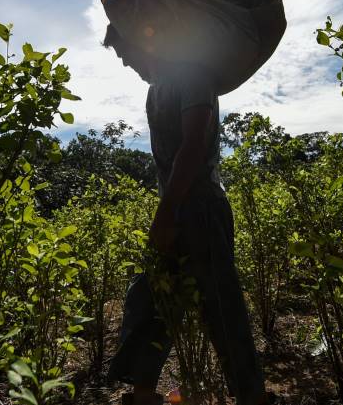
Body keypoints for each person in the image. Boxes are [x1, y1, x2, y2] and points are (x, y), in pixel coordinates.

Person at [101, 24, 268, 405]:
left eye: (125, 51)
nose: (126, 62)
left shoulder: (193, 74)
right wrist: (167, 212)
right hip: (175, 208)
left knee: (223, 314)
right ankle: (143, 393)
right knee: (150, 298)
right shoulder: (154, 91)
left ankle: (251, 397)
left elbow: (193, 145)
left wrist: (167, 212)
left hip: (200, 210)